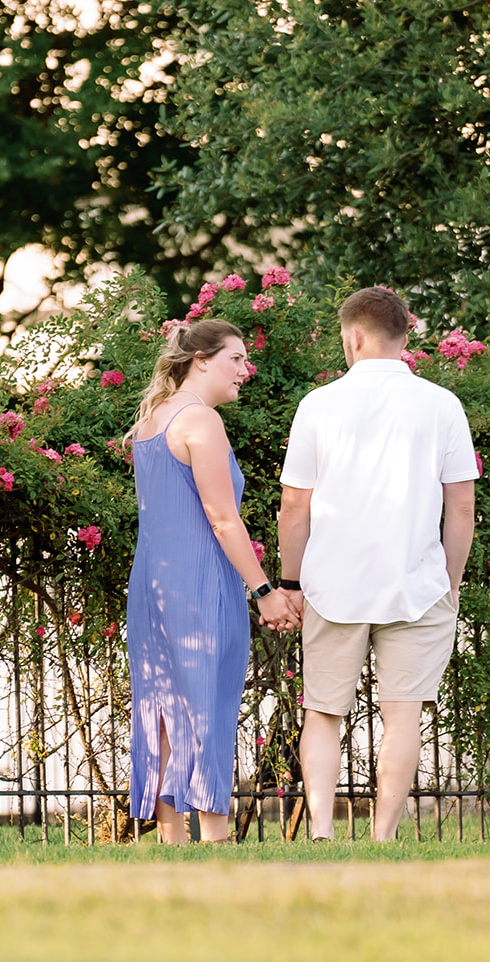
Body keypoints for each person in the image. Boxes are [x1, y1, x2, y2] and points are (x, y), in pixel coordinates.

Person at [277, 287, 478, 841]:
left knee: (322, 711)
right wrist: (450, 582)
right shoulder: (442, 404)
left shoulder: (318, 406)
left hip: (332, 585)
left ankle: (321, 831)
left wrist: (290, 582)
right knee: (403, 715)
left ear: (353, 336)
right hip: (416, 585)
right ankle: (383, 836)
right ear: (405, 337)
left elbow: (296, 504)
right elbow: (461, 506)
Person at [126, 318, 301, 844]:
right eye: (236, 359)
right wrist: (265, 591)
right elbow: (222, 518)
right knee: (206, 703)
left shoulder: (152, 418)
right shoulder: (201, 422)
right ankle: (216, 839)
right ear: (201, 360)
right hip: (201, 584)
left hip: (152, 585)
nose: (246, 372)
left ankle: (171, 840)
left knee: (160, 706)